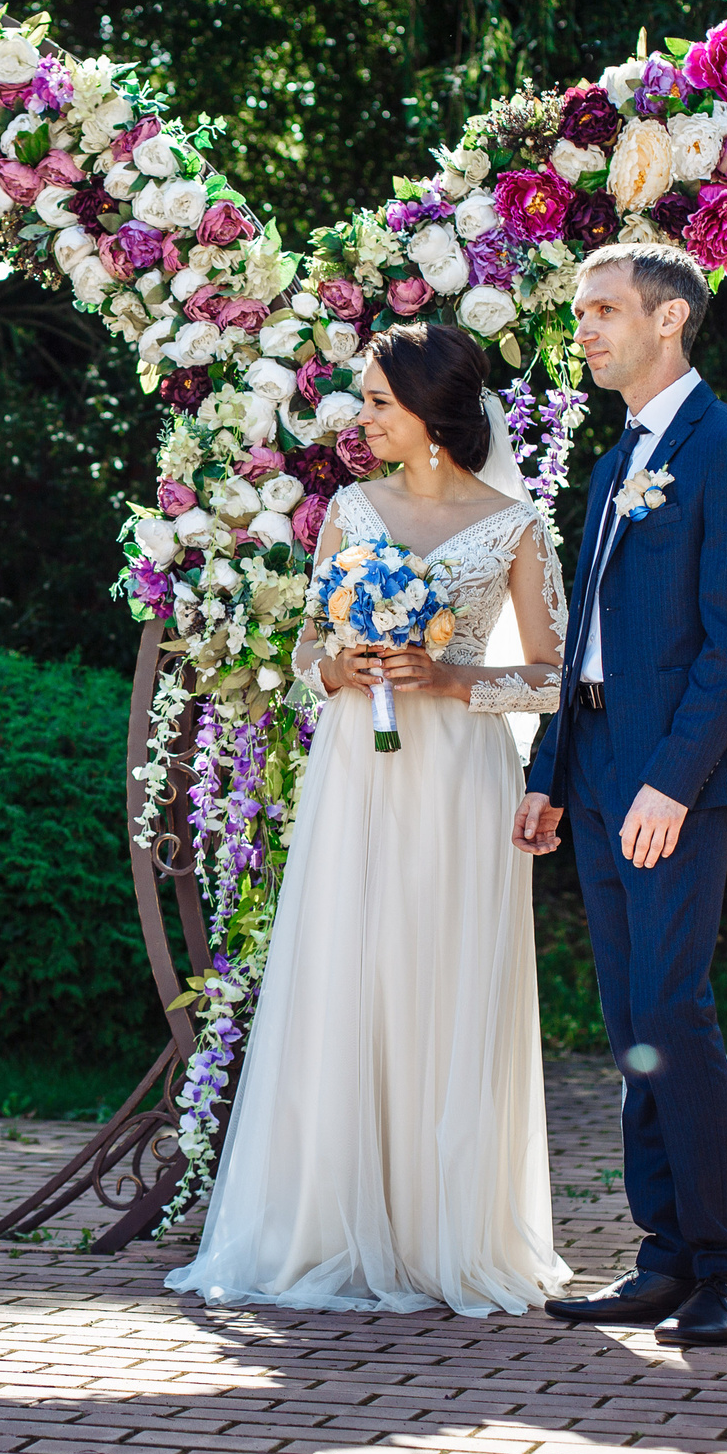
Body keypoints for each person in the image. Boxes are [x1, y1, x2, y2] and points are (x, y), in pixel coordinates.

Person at [166, 321, 572, 1315]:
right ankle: (332, 1221)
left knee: (445, 976)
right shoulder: (350, 508)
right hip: (358, 773)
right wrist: (336, 667)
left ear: (433, 413)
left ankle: (447, 1233)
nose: (360, 416)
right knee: (352, 971)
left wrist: (449, 677)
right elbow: (309, 649)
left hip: (460, 780)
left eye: (379, 401)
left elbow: (553, 680)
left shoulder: (515, 526)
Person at [513, 242, 727, 1348]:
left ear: (668, 319)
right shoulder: (614, 455)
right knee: (632, 1020)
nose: (582, 328)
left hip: (675, 771)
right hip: (593, 763)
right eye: (580, 311)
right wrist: (548, 774)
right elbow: (582, 636)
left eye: (602, 310)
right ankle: (664, 1254)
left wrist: (671, 781)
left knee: (673, 1009)